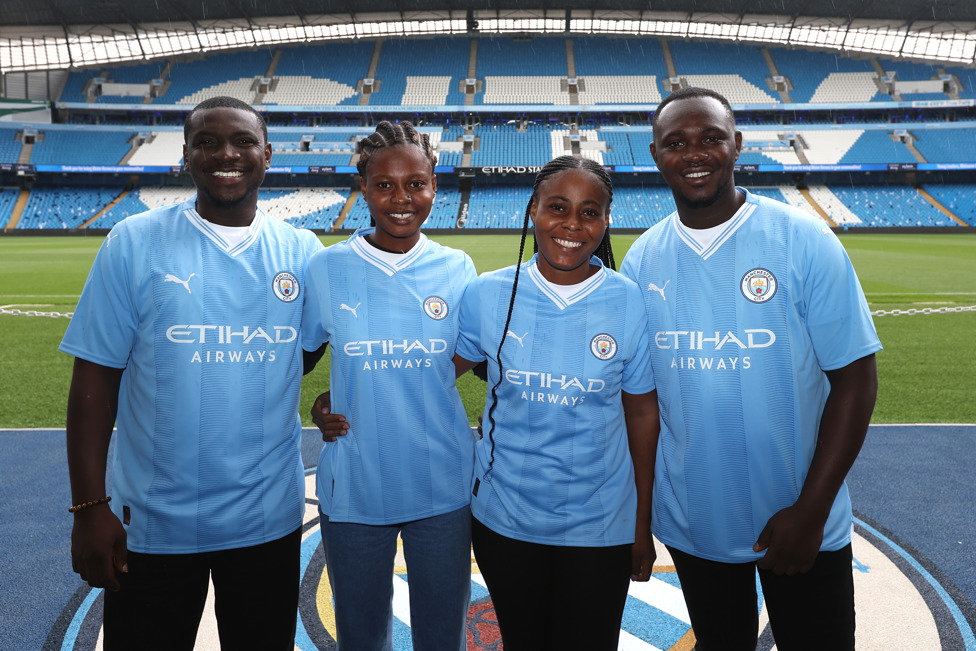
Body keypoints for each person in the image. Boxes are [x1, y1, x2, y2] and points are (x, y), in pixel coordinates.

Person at [620, 86, 882, 651]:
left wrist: (811, 512)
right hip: (694, 524)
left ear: (737, 145)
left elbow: (856, 382)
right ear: (655, 154)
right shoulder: (643, 258)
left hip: (799, 518)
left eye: (711, 138)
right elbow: (639, 400)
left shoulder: (804, 240)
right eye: (676, 142)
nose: (695, 153)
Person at [60, 96, 324, 650]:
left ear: (267, 155)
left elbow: (305, 351)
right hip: (151, 524)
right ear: (186, 157)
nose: (225, 153)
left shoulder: (301, 251)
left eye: (243, 141)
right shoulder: (132, 242)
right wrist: (89, 508)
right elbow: (94, 381)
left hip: (268, 522)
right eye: (207, 141)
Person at [452, 156, 661, 650]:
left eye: (590, 212)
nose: (572, 225)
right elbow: (432, 376)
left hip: (601, 525)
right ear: (532, 211)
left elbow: (642, 414)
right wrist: (345, 398)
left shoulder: (628, 300)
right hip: (504, 520)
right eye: (558, 207)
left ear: (606, 221)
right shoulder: (487, 294)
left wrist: (641, 523)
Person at [302, 120, 476, 651]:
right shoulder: (325, 269)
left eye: (416, 183)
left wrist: (411, 381)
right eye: (384, 184)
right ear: (363, 188)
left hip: (442, 485)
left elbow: (466, 354)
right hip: (354, 485)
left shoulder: (458, 267)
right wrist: (318, 407)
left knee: (442, 636)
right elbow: (301, 358)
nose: (402, 198)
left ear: (434, 186)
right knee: (360, 636)